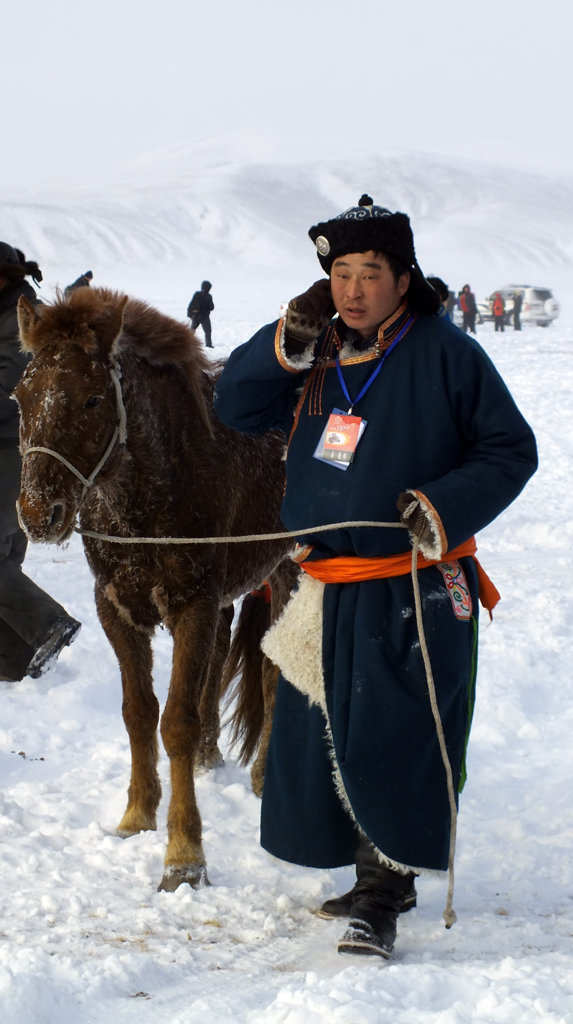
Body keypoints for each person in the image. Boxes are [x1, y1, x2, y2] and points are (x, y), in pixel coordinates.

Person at [213, 194, 537, 960]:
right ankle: (368, 875)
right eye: (340, 274)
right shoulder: (319, 352)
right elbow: (235, 403)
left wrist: (442, 507)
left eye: (370, 273)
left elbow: (508, 449)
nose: (352, 289)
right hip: (322, 580)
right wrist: (282, 342)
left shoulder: (447, 353)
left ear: (403, 279)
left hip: (411, 580)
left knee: (396, 730)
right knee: (329, 731)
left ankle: (383, 897)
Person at [0, 234, 81, 683]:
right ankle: (15, 660)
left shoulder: (15, 321)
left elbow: (13, 383)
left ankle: (48, 623)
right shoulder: (11, 319)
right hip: (3, 456)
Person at [187, 280, 214, 347]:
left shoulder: (197, 294)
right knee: (208, 331)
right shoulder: (208, 296)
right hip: (204, 317)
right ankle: (208, 345)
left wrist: (190, 314)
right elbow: (211, 307)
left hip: (196, 316)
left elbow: (191, 305)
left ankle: (187, 342)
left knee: (192, 330)